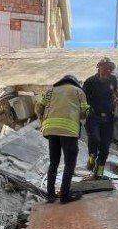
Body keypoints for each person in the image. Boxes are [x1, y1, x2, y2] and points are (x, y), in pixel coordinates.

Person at [36, 73, 89, 204]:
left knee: (54, 162)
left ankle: (50, 195)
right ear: (74, 82)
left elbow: (38, 106)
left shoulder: (51, 90)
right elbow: (84, 112)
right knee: (70, 163)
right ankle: (65, 195)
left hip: (50, 129)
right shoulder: (78, 91)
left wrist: (42, 121)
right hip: (68, 129)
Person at [83, 57, 118, 179]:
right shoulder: (89, 82)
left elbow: (116, 94)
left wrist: (117, 107)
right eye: (106, 68)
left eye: (110, 69)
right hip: (94, 118)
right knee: (95, 139)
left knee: (105, 146)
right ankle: (92, 157)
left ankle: (99, 173)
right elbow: (83, 100)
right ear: (99, 67)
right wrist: (87, 111)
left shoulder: (113, 80)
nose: (108, 71)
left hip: (108, 118)